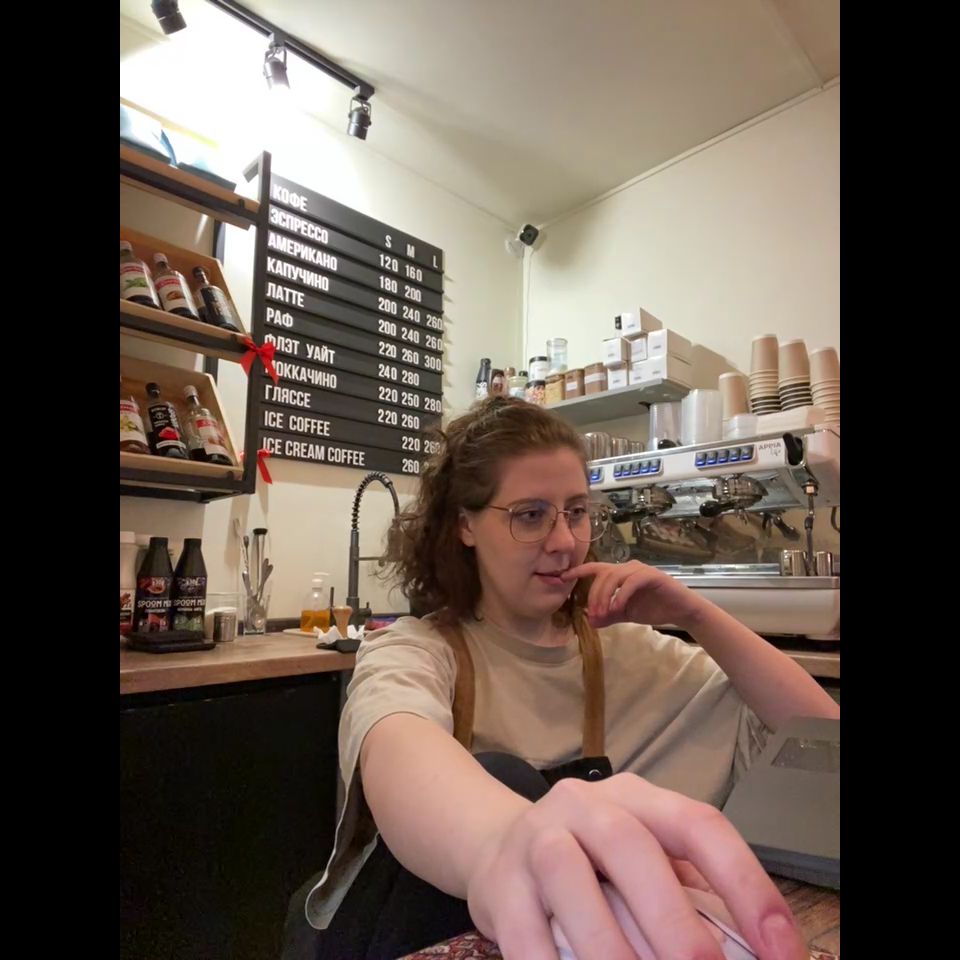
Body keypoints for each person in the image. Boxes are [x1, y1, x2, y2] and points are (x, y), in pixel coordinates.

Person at [284, 396, 839, 960]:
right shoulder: (417, 651)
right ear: (465, 525)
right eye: (530, 515)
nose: (565, 540)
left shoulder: (636, 655)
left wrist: (696, 614)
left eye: (575, 511)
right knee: (503, 775)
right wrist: (507, 845)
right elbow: (399, 749)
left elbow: (824, 740)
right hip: (401, 939)